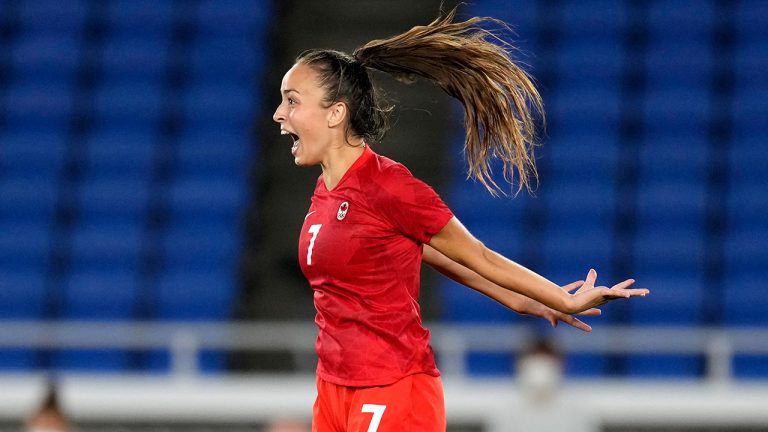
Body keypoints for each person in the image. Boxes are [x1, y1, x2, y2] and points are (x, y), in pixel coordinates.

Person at [271, 8, 649, 432]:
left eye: (292, 100)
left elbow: (476, 254)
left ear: (336, 113)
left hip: (393, 388)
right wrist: (518, 300)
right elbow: (428, 253)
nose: (278, 114)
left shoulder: (389, 187)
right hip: (333, 389)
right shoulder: (326, 191)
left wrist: (561, 299)